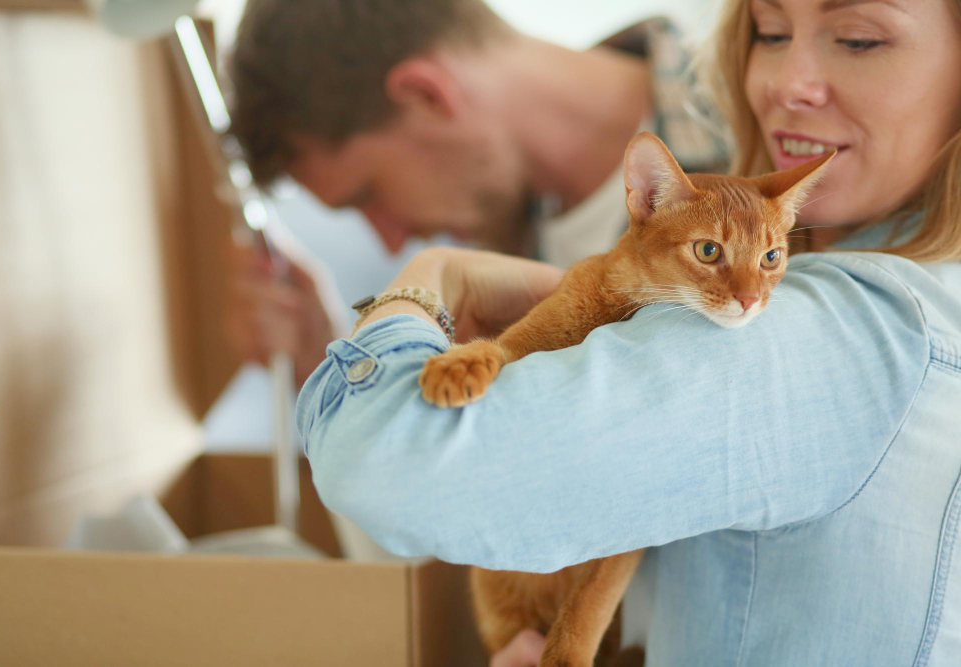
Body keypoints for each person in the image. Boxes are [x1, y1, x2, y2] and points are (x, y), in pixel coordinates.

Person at [293, 0, 961, 665]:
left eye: (860, 39)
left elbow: (384, 461)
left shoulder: (832, 332)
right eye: (770, 31)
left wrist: (426, 281)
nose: (787, 82)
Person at [224, 0, 728, 387]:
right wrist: (328, 367)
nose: (393, 243)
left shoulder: (772, 155)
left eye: (367, 194)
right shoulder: (492, 292)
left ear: (426, 96)